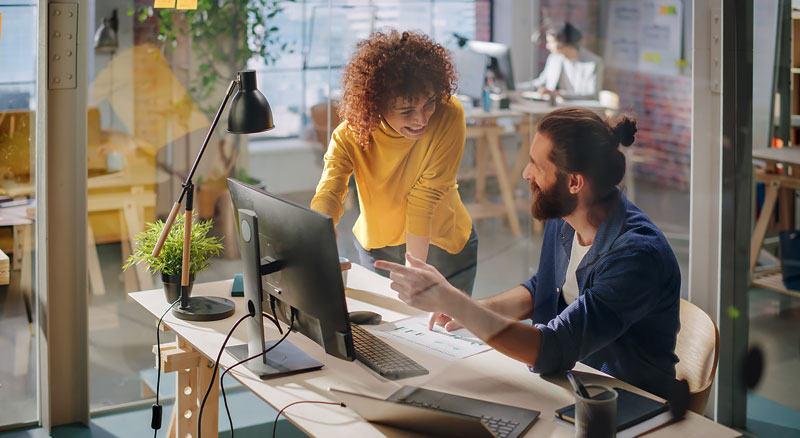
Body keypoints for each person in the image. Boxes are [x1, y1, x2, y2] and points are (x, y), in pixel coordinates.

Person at [376, 107, 681, 400]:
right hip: (571, 386)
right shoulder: (566, 217)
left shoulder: (636, 256)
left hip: (629, 406)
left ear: (574, 182)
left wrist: (454, 300)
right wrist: (471, 310)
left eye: (536, 164)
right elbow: (542, 290)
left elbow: (552, 349)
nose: (525, 173)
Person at [310, 30, 478, 295]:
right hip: (377, 246)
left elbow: (425, 197)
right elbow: (330, 190)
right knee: (382, 333)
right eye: (407, 111)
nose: (421, 120)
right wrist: (320, 231)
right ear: (374, 104)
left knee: (443, 334)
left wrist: (416, 273)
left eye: (429, 103)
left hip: (442, 243)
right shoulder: (349, 135)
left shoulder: (448, 113)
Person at [526, 22, 603, 100]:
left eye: (550, 42)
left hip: (580, 109)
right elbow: (541, 82)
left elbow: (592, 94)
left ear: (562, 42)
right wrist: (516, 87)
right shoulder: (554, 58)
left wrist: (559, 94)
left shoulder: (593, 62)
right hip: (555, 106)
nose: (547, 46)